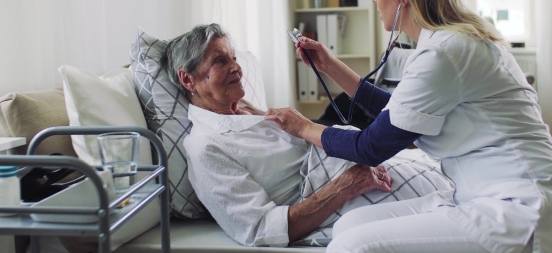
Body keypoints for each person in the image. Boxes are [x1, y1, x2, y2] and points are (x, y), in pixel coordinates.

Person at [265, 0, 552, 252]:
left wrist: (303, 127)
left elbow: (371, 147)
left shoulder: (445, 52)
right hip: (482, 192)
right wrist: (332, 67)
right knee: (346, 227)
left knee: (352, 245)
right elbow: (399, 112)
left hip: (523, 206)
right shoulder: (448, 42)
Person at [160, 23, 450, 247]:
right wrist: (345, 186)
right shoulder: (205, 147)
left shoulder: (245, 110)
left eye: (234, 58)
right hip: (349, 191)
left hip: (366, 167)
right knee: (453, 207)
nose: (237, 67)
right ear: (188, 79)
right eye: (221, 61)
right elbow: (259, 229)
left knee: (448, 178)